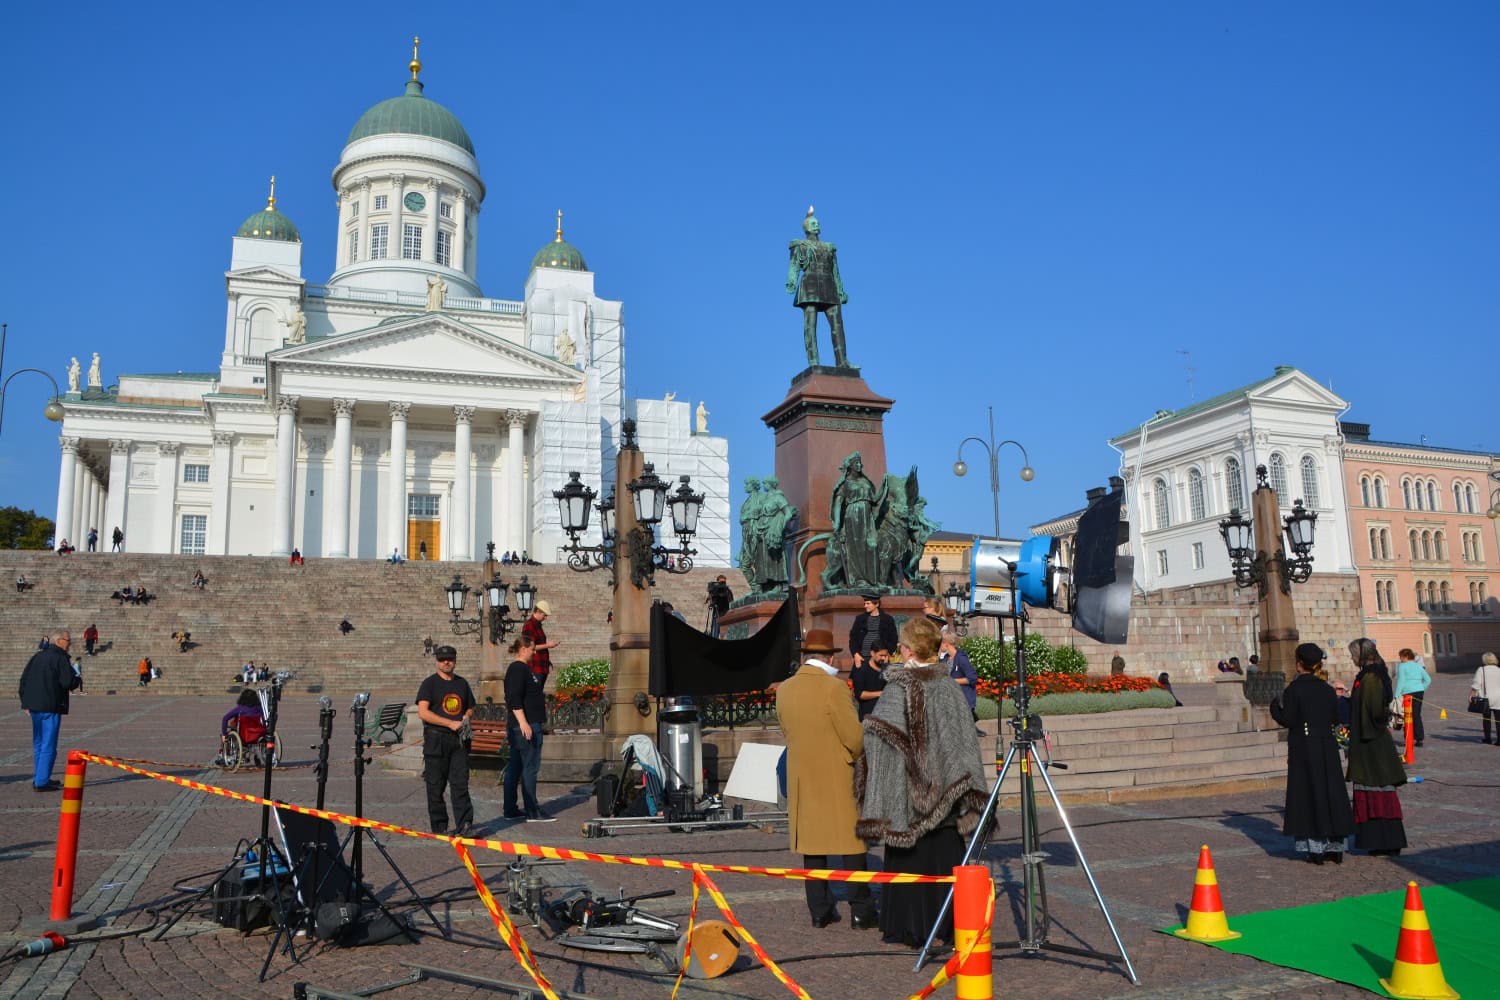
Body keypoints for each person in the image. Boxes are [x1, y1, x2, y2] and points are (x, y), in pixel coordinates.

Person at [857, 617, 987, 948]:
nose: (899, 650)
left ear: (910, 649)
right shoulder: (949, 687)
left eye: (902, 645)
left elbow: (877, 740)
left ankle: (912, 928)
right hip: (947, 799)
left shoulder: (899, 687)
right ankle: (949, 924)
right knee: (945, 857)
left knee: (911, 861)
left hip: (908, 800)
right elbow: (964, 743)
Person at [774, 629, 877, 929]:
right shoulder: (834, 688)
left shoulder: (785, 689)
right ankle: (861, 910)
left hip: (802, 774)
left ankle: (819, 909)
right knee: (852, 844)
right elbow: (854, 737)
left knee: (813, 845)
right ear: (830, 658)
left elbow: (787, 730)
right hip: (837, 773)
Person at [1268, 643, 1354, 864]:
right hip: (1327, 745)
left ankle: (1316, 849)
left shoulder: (1294, 689)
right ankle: (1335, 846)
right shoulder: (1327, 689)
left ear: (1299, 664)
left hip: (1304, 747)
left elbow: (1289, 719)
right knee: (1331, 792)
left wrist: (1274, 708)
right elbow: (1336, 717)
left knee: (1309, 793)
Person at [1345, 638, 1407, 856]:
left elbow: (1373, 711)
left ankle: (1386, 840)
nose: (1352, 658)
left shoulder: (1371, 678)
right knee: (1372, 790)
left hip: (1371, 743)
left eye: (1353, 655)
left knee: (1378, 790)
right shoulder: (1369, 675)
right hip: (1368, 741)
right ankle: (1377, 840)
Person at [416, 645, 475, 836]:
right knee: (435, 786)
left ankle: (465, 825)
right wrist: (449, 723)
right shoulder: (429, 684)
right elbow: (423, 712)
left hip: (458, 741)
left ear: (455, 660)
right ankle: (440, 827)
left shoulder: (462, 683)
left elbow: (470, 707)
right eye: (442, 659)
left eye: (449, 659)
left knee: (460, 784)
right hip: (436, 739)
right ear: (437, 662)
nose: (446, 662)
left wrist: (466, 716)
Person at [786, 206, 851, 368]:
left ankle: (842, 362)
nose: (817, 225)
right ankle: (813, 361)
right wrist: (791, 282)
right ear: (806, 228)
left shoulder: (829, 247)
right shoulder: (800, 245)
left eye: (817, 223)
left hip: (829, 285)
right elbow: (794, 266)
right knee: (810, 325)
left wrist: (840, 290)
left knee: (837, 325)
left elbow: (835, 271)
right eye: (813, 223)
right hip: (810, 285)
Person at [19, 629, 79, 791]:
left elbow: (24, 680)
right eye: (68, 641)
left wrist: (26, 702)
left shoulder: (37, 656)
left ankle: (40, 777)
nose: (70, 644)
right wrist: (77, 678)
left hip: (35, 706)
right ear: (59, 641)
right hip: (50, 705)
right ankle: (41, 781)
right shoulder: (60, 658)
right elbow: (68, 682)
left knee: (39, 743)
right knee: (48, 745)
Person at [503, 633, 554, 822]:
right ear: (523, 649)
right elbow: (513, 697)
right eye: (532, 649)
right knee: (529, 768)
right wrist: (523, 722)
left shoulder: (523, 669)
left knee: (516, 767)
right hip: (525, 726)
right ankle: (532, 811)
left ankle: (510, 809)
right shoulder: (518, 669)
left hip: (525, 724)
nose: (534, 653)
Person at [1393, 648, 1431, 748]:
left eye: (1401, 657)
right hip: (1419, 693)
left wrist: (1396, 695)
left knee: (1407, 716)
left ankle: (1408, 738)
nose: (1400, 659)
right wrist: (1421, 688)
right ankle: (1419, 739)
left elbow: (1401, 681)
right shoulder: (1418, 666)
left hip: (1407, 694)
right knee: (1416, 715)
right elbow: (1428, 679)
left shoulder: (1402, 666)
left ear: (1405, 657)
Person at [940, 628, 979, 724]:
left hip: (963, 702)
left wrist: (953, 681)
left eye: (940, 643)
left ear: (946, 643)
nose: (939, 645)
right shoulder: (945, 659)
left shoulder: (961, 658)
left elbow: (972, 678)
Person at [849, 593, 897, 671]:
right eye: (864, 603)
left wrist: (888, 654)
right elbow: (853, 639)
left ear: (877, 604)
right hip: (862, 658)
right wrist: (856, 654)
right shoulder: (860, 619)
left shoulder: (888, 619)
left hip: (881, 659)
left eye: (868, 603)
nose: (865, 606)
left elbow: (894, 639)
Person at [217, 689, 266, 765]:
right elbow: (264, 720)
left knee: (229, 732)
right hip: (258, 734)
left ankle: (223, 754)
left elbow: (225, 718)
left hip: (244, 735)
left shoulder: (240, 708)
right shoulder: (260, 709)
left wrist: (224, 734)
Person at [521, 601, 558, 683]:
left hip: (541, 666)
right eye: (544, 615)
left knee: (539, 690)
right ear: (538, 611)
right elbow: (529, 647)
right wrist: (548, 645)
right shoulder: (529, 625)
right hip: (534, 667)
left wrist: (546, 661)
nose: (545, 618)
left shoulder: (537, 625)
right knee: (534, 690)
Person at [850, 645, 890, 721]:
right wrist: (880, 693)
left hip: (885, 715)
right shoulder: (862, 669)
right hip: (868, 716)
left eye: (885, 656)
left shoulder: (887, 668)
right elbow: (859, 694)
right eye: (881, 655)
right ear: (872, 653)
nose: (883, 658)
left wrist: (885, 668)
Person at [1471, 652, 1500, 744]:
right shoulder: (1499, 670)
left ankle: (1488, 739)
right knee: (1499, 720)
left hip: (1486, 698)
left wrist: (1472, 695)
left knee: (1486, 719)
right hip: (1499, 698)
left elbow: (1476, 684)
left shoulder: (1481, 670)